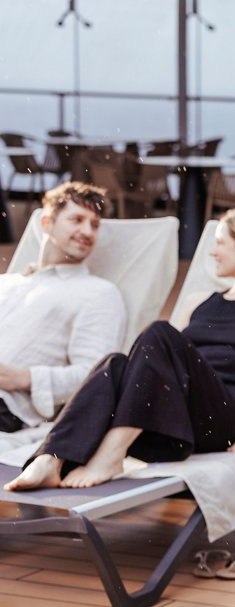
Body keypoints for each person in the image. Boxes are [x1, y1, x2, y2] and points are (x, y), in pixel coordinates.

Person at [5, 204, 235, 491]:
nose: (213, 253)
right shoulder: (198, 302)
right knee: (114, 364)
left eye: (220, 243)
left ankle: (112, 454)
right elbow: (159, 365)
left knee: (159, 332)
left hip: (229, 420)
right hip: (177, 423)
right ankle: (51, 457)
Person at [0, 181, 125, 435]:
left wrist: (25, 377)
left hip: (7, 405)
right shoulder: (7, 283)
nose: (88, 232)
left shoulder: (97, 293)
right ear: (46, 223)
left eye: (95, 225)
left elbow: (96, 376)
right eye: (77, 219)